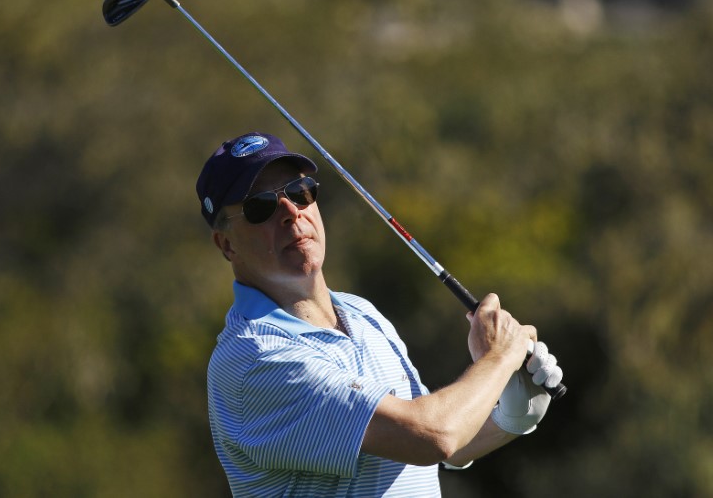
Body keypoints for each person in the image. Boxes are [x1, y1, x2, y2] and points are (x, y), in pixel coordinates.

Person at [196, 132, 563, 497]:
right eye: (261, 206)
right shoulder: (252, 361)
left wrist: (511, 418)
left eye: (299, 191)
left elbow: (428, 447)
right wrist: (499, 359)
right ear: (226, 243)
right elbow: (432, 436)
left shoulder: (361, 313)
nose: (292, 212)